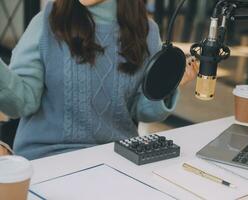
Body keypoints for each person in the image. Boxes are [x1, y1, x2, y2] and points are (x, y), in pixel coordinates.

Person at [0, 0, 198, 159]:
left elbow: (142, 110)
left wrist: (170, 85)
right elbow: (22, 104)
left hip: (116, 159)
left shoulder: (147, 31)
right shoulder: (46, 22)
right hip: (48, 158)